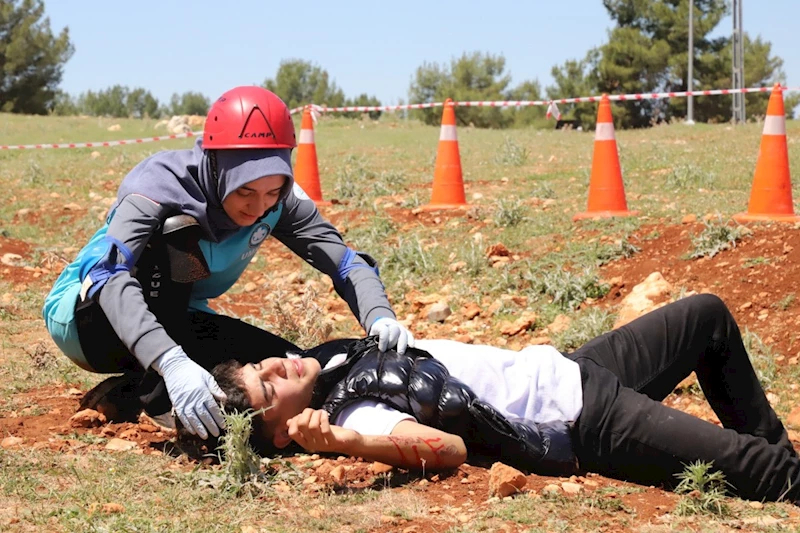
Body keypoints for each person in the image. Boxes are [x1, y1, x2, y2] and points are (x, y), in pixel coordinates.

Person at [42, 86, 414, 441]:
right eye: (245, 192)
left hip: (179, 320)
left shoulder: (280, 198)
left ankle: (133, 383)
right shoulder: (158, 185)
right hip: (88, 323)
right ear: (217, 166)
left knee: (289, 367)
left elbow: (345, 262)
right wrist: (169, 360)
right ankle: (159, 395)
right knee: (176, 229)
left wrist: (379, 317)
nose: (257, 209)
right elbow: (106, 274)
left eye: (272, 192)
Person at [208, 294, 800, 503]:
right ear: (285, 430)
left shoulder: (332, 360)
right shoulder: (354, 412)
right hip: (583, 419)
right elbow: (446, 449)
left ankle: (776, 454)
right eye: (271, 383)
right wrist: (345, 442)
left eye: (263, 364)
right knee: (764, 471)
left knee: (707, 318)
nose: (279, 363)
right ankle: (779, 473)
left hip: (572, 369)